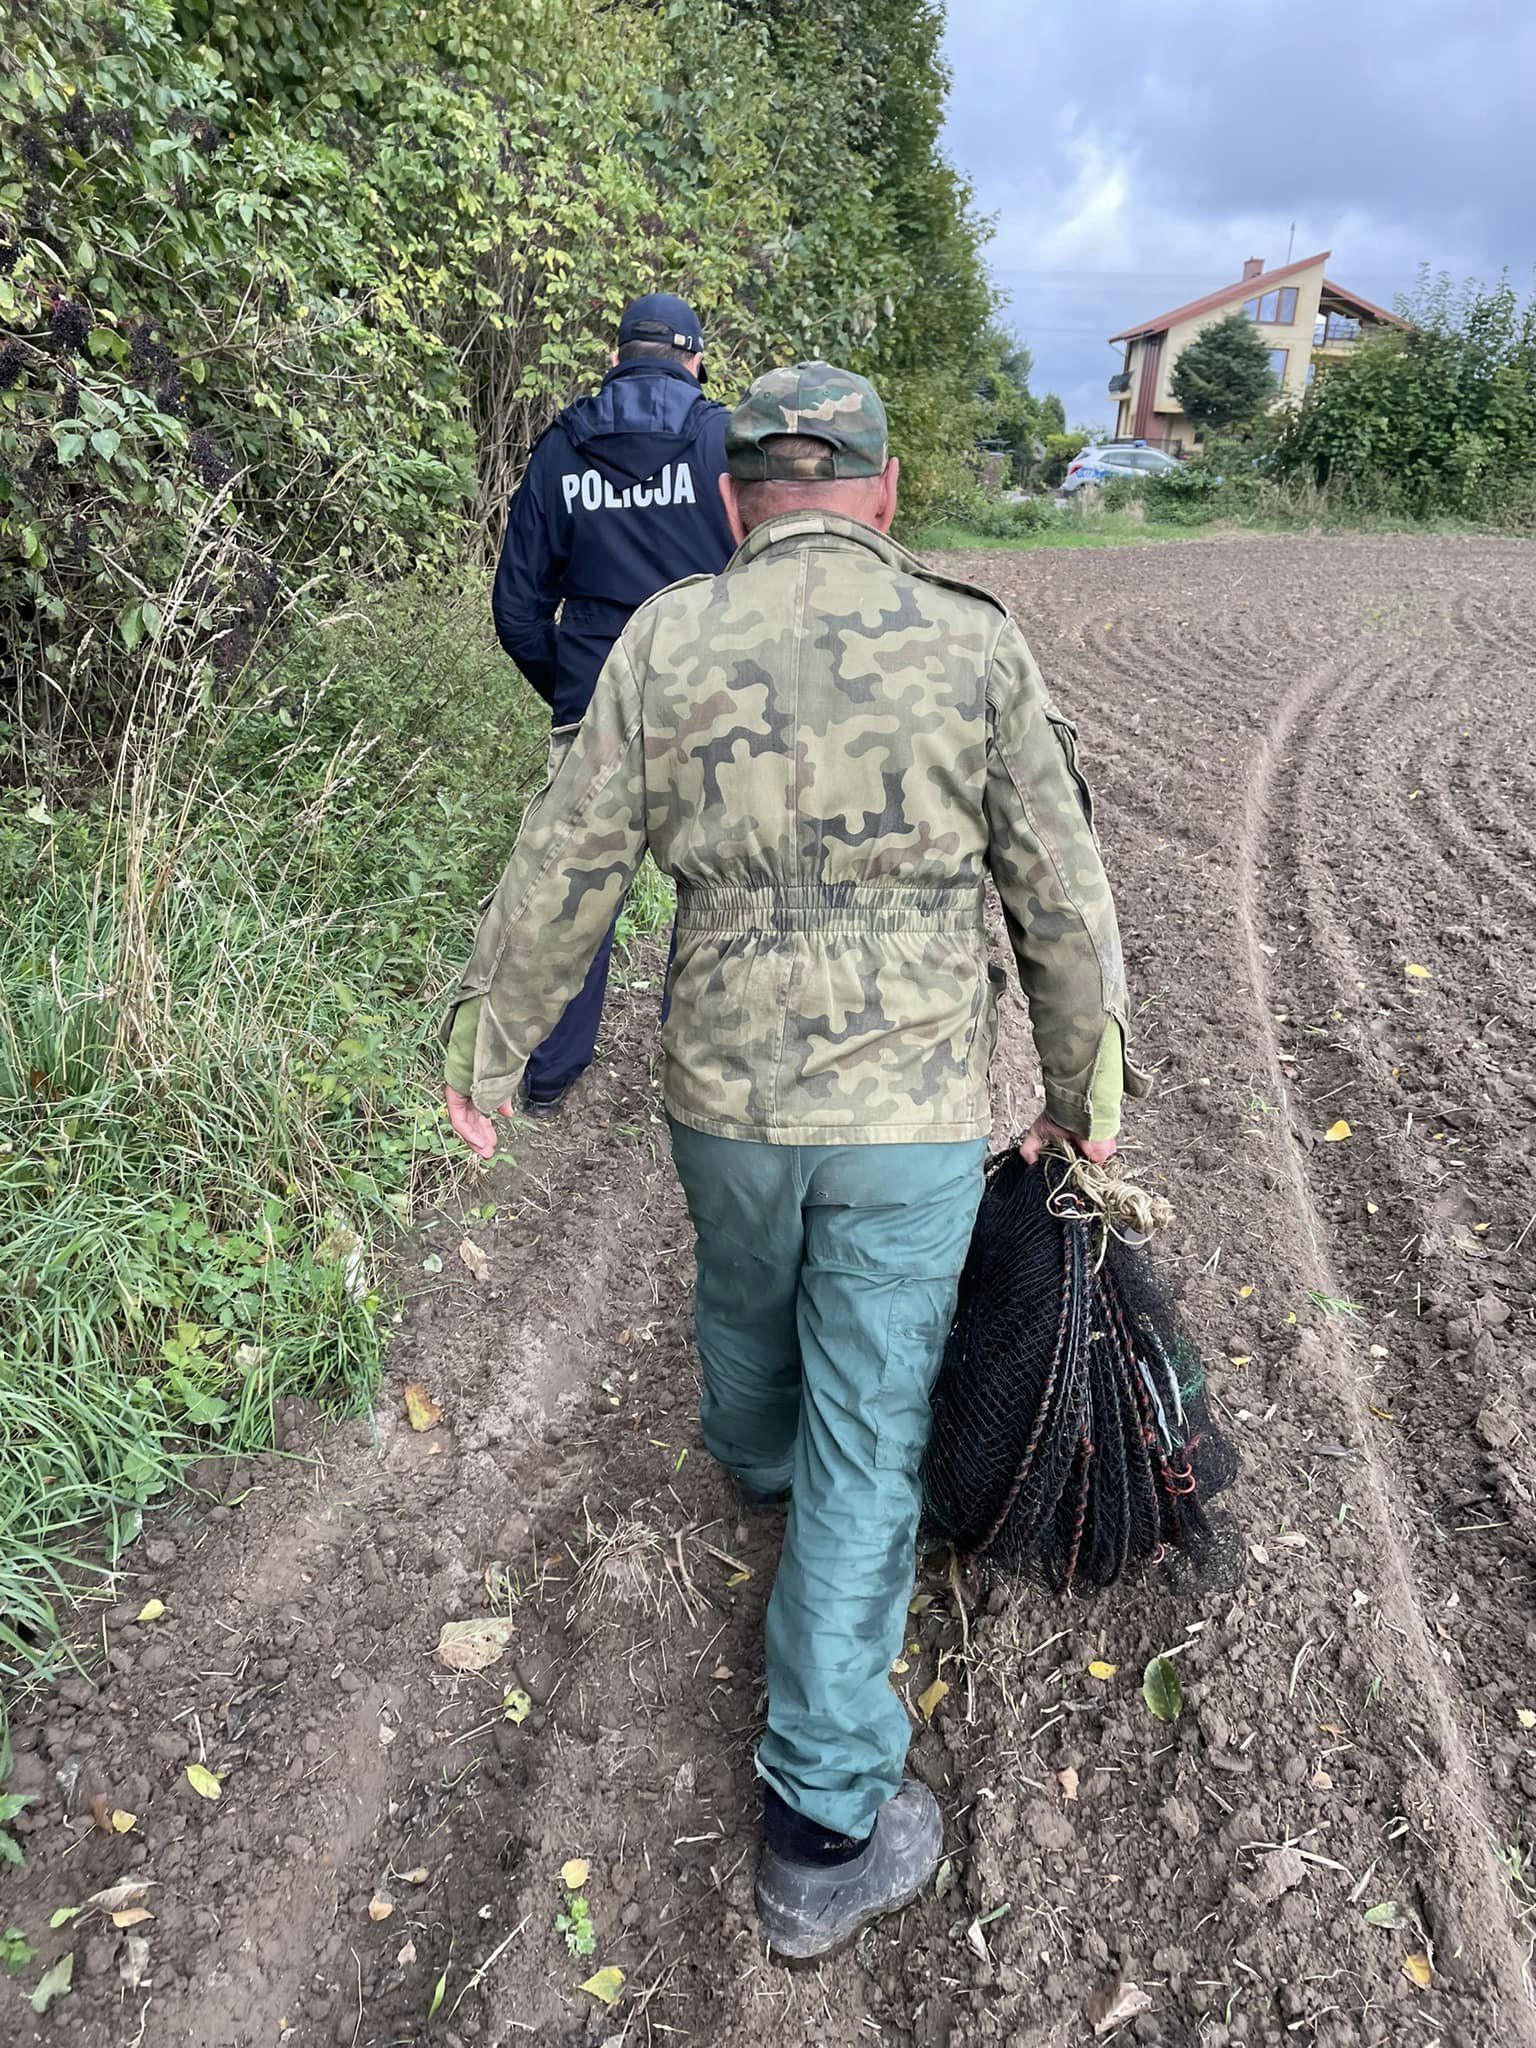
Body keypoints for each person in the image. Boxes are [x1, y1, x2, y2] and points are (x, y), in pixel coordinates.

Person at [442, 363, 1146, 1957]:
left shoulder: (663, 642)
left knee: (745, 1296)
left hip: (724, 1095)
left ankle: (757, 1471)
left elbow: (569, 860)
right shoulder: (973, 644)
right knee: (871, 1430)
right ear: (887, 497)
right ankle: (826, 1821)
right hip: (904, 1116)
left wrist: (489, 1047)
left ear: (729, 498)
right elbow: (1061, 889)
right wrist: (1085, 1086)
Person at [489, 290, 734, 1118]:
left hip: (595, 692)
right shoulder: (725, 442)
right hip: (713, 704)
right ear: (694, 359)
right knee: (720, 888)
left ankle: (549, 1075)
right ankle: (693, 1081)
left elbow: (516, 609)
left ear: (620, 356)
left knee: (574, 887)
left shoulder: (562, 445)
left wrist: (573, 692)